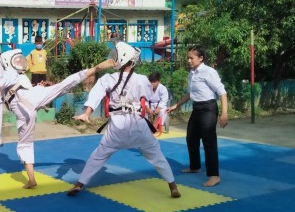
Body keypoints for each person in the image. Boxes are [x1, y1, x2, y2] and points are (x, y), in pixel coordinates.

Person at [67, 41, 181, 198]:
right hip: (139, 127)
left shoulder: (107, 79)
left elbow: (95, 95)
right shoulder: (142, 80)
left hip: (116, 129)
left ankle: (79, 185)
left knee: (98, 156)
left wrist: (87, 113)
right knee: (157, 156)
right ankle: (173, 187)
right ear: (132, 61)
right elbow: (147, 97)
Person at [0, 48, 115, 189]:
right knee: (63, 86)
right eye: (17, 60)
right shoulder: (8, 73)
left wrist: (35, 87)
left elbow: (15, 86)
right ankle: (94, 69)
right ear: (9, 62)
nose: (20, 62)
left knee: (25, 143)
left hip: (29, 102)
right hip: (26, 105)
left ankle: (31, 179)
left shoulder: (19, 76)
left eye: (20, 59)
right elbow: (5, 79)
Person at [166, 45, 228, 187]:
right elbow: (190, 94)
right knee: (191, 138)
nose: (188, 60)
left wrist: (224, 113)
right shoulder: (192, 73)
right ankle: (195, 166)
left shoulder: (208, 72)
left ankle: (214, 175)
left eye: (191, 58)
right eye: (188, 57)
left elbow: (222, 92)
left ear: (201, 58)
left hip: (208, 108)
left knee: (208, 141)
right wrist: (177, 105)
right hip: (197, 108)